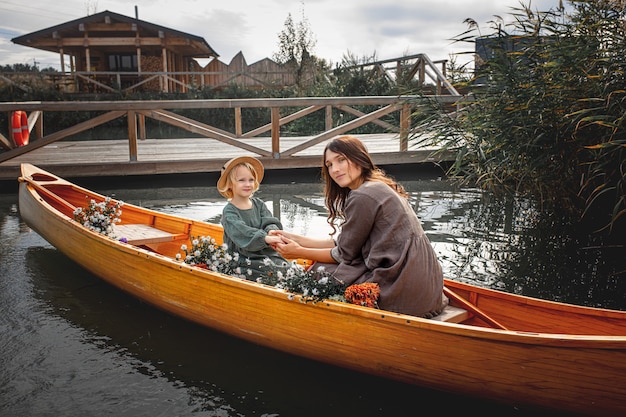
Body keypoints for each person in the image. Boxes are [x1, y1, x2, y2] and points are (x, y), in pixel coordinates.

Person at [270, 135, 448, 317]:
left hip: (401, 287)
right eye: (329, 164)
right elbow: (345, 243)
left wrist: (299, 252)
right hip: (429, 289)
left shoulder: (363, 195)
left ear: (359, 159)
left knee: (319, 272)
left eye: (341, 160)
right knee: (337, 265)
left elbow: (343, 254)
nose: (335, 169)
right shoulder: (377, 186)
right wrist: (295, 238)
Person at [217, 156, 289, 279]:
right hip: (243, 258)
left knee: (286, 267)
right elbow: (242, 232)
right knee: (269, 272)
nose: (248, 184)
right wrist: (265, 238)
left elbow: (269, 221)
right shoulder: (229, 211)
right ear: (229, 184)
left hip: (264, 252)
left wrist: (271, 231)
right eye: (241, 180)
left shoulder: (258, 204)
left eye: (251, 180)